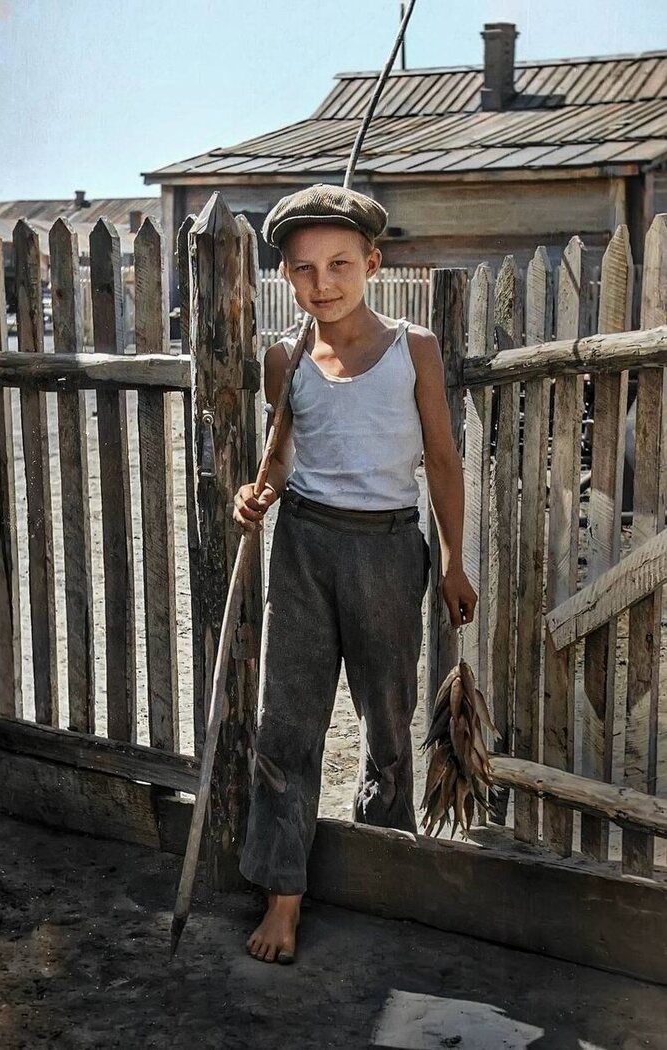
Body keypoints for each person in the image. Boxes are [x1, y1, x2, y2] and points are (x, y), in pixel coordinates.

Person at [232, 184, 477, 965]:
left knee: (386, 714)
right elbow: (279, 455)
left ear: (372, 263)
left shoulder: (416, 349)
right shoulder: (288, 357)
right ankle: (283, 894)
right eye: (303, 270)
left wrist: (455, 562)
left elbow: (441, 461)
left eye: (340, 264)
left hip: (387, 549)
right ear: (286, 279)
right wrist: (255, 493)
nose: (323, 283)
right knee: (287, 724)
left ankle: (383, 856)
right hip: (303, 547)